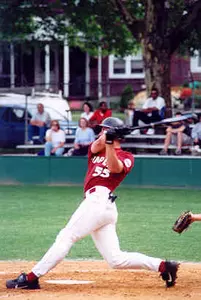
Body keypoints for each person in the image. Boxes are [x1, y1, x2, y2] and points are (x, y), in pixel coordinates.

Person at [6, 117, 179, 290]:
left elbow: (114, 168)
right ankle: (164, 266)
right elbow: (97, 144)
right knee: (115, 259)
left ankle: (31, 278)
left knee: (66, 236)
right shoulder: (95, 150)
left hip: (101, 202)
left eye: (103, 130)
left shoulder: (127, 157)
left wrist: (111, 141)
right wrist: (108, 136)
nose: (100, 133)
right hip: (97, 205)